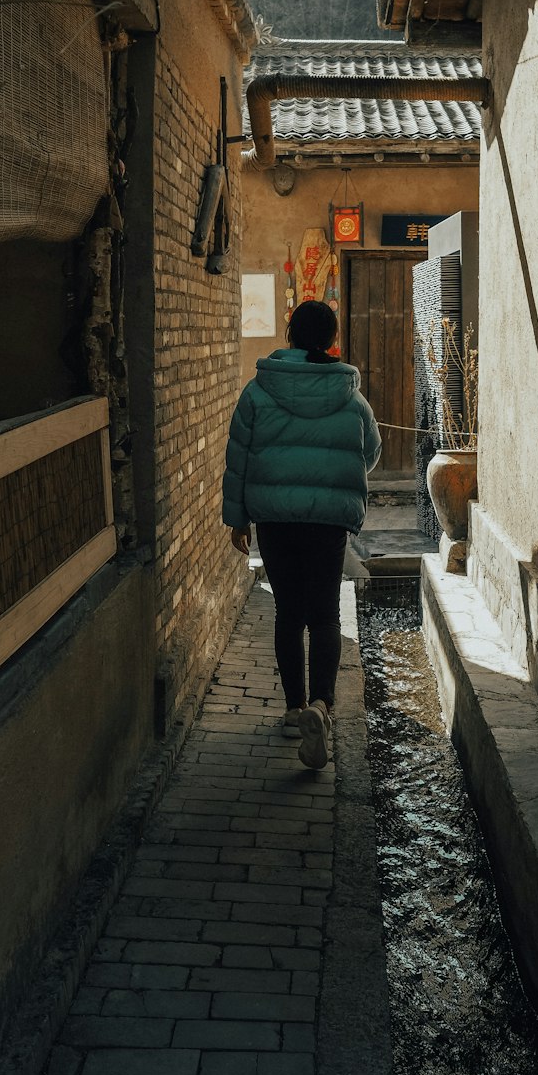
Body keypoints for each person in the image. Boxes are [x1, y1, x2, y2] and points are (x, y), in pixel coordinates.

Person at [222, 300, 381, 768]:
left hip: (275, 518)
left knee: (288, 613)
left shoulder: (258, 390)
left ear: (290, 335)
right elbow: (368, 453)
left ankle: (294, 709)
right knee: (325, 615)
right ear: (331, 339)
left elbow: (240, 457)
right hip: (328, 521)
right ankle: (323, 705)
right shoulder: (351, 396)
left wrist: (237, 518)